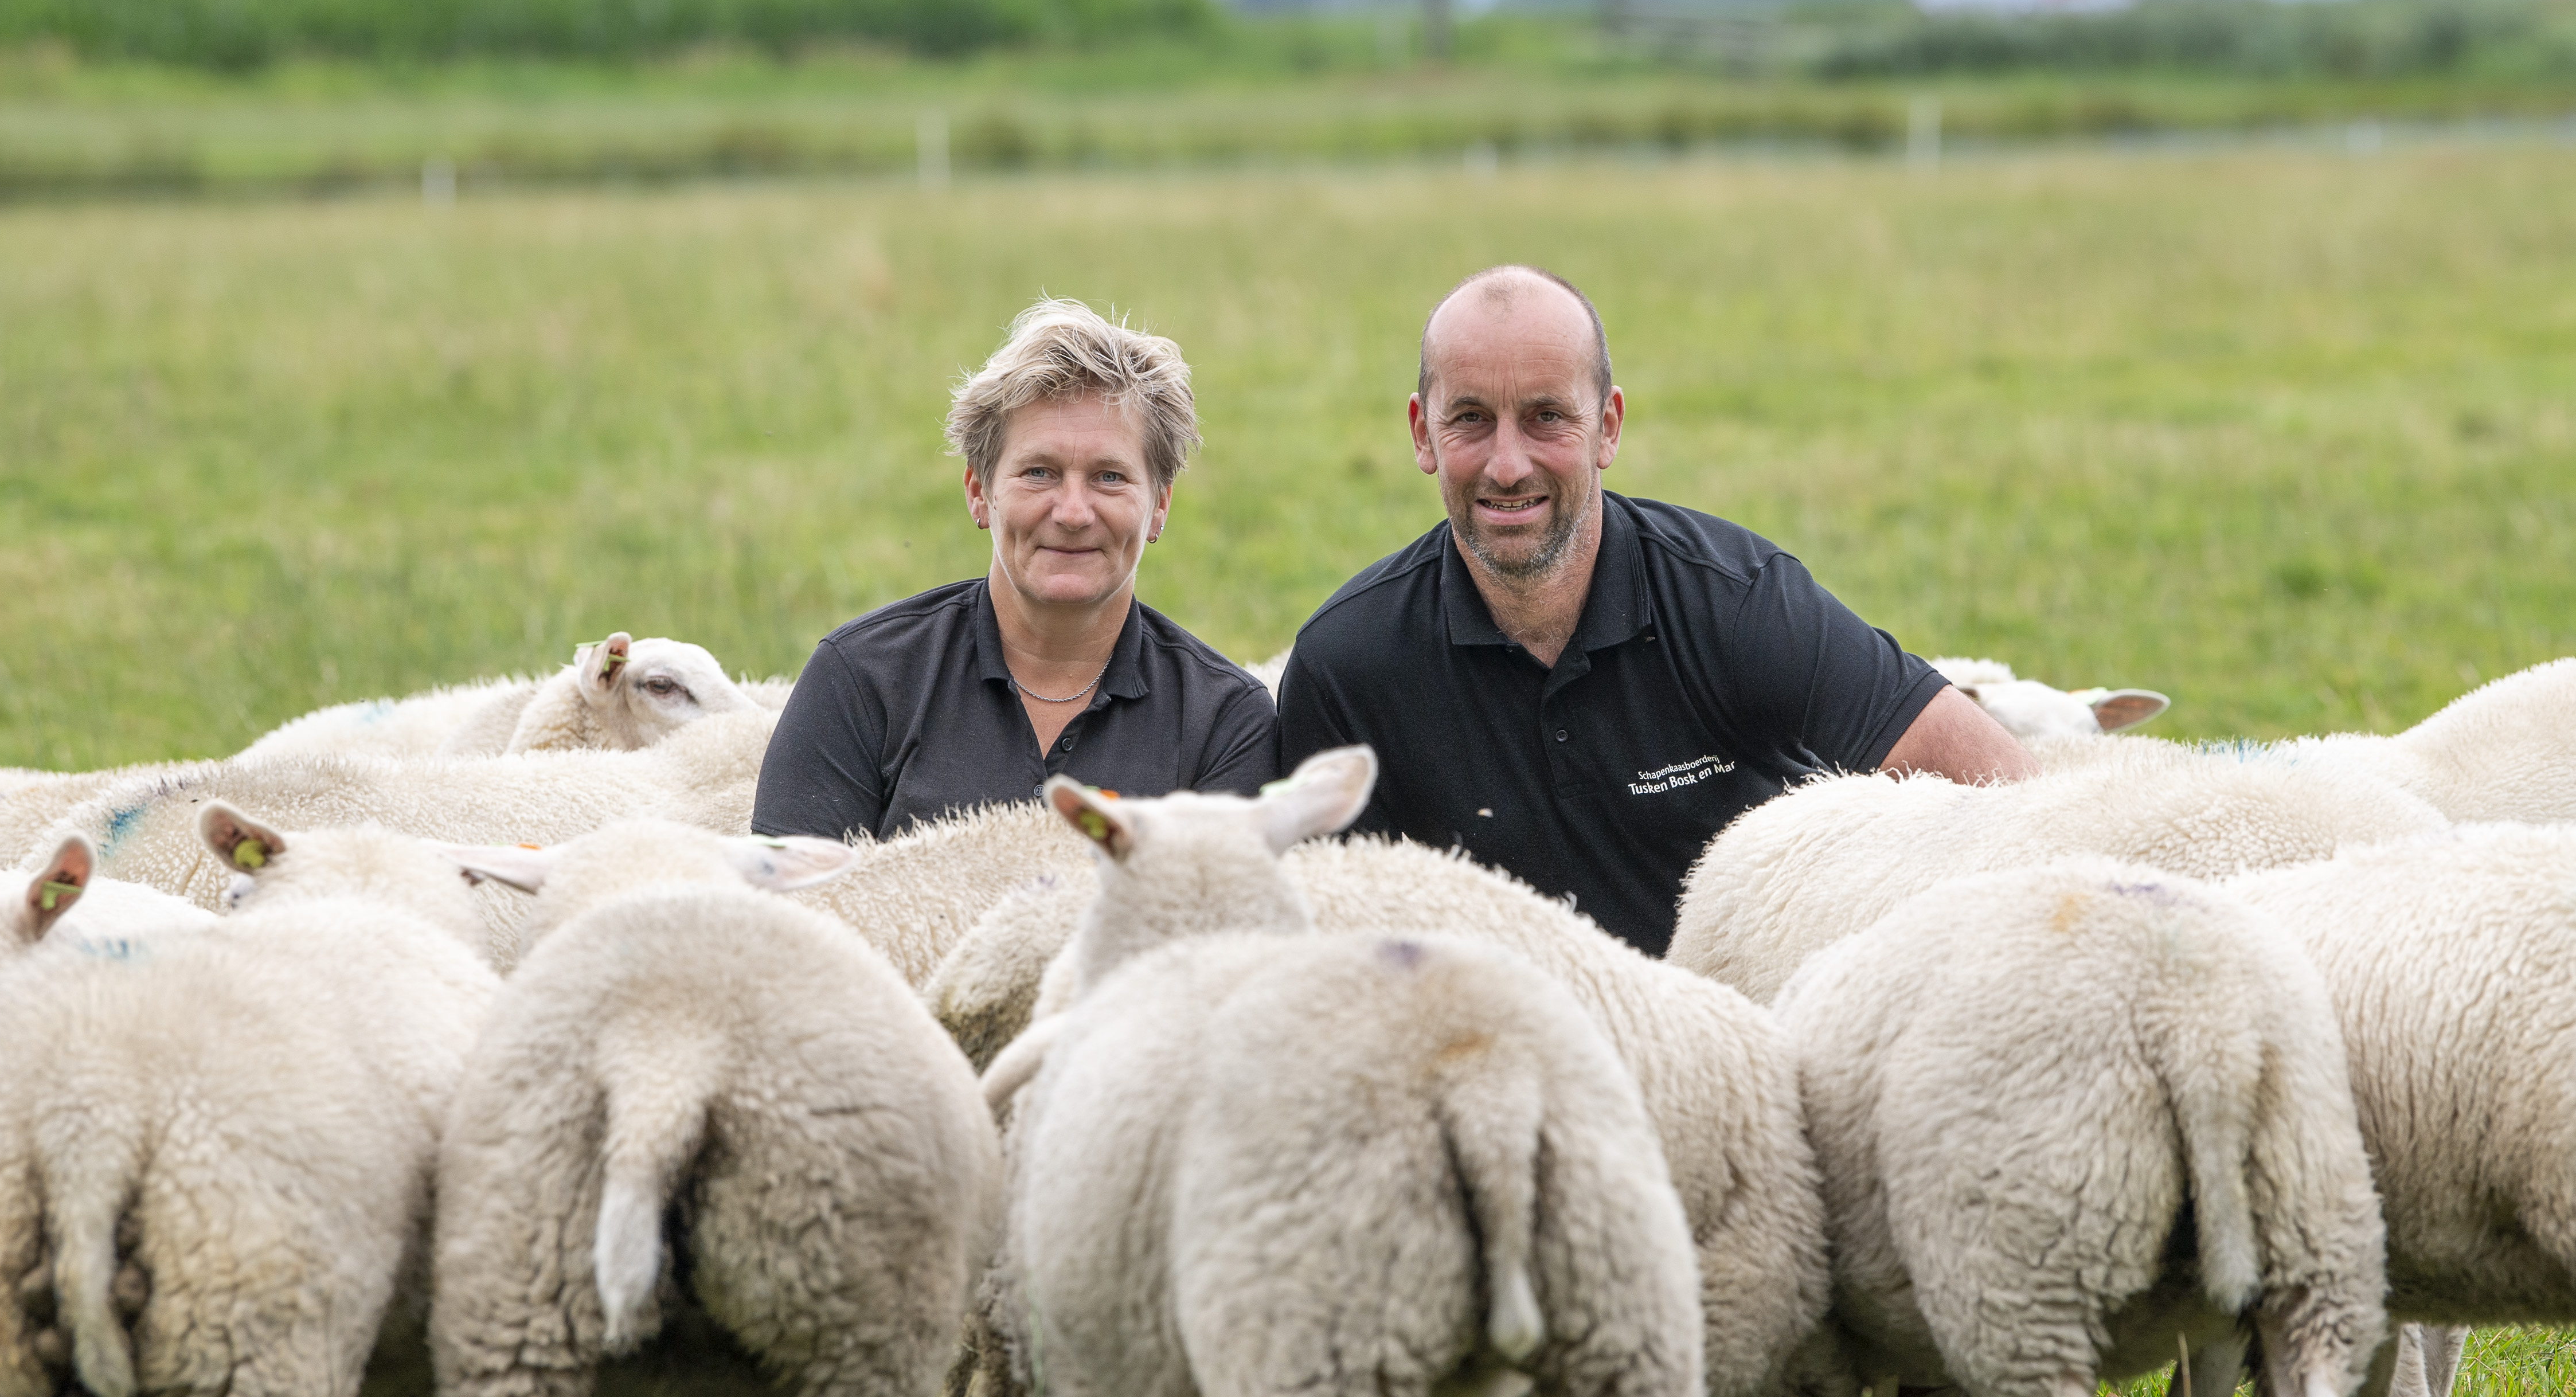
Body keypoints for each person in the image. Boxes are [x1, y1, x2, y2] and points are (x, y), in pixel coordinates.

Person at [1275, 264, 2031, 954]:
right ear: (1422, 433)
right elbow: (1330, 952)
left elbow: (2006, 790)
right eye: (1470, 419)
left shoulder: (1738, 602)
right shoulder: (1346, 670)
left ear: (1607, 426)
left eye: (1546, 417)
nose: (1508, 466)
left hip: (1746, 1047)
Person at [755, 300, 1278, 843]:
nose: (1073, 513)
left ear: (1160, 506)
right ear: (980, 493)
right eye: (1039, 473)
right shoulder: (862, 680)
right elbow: (787, 916)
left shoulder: (1224, 721)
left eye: (1109, 477)